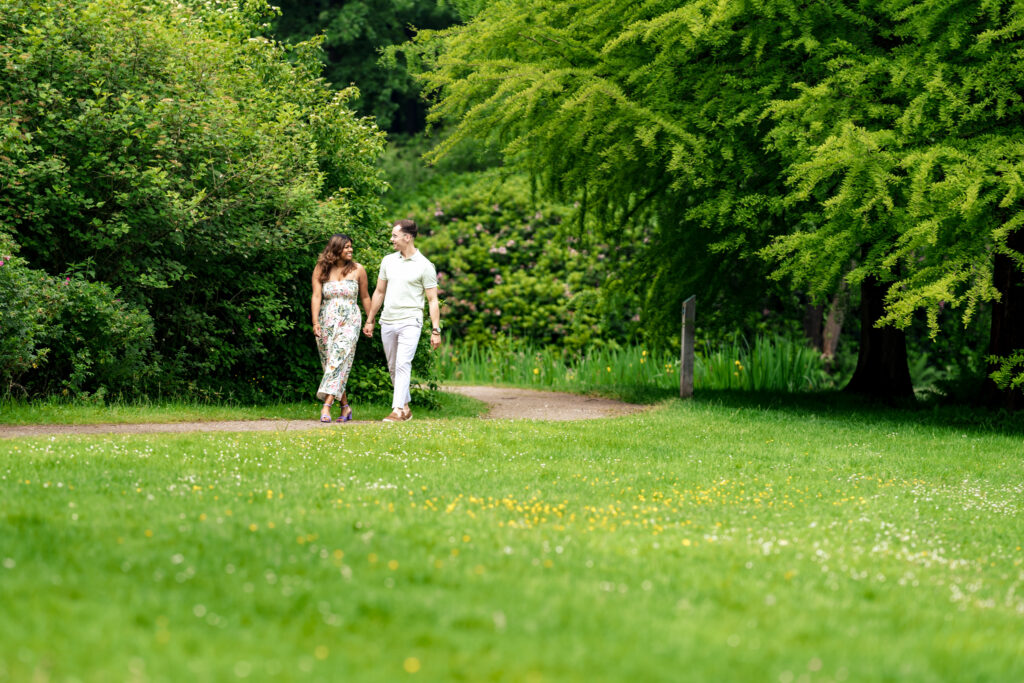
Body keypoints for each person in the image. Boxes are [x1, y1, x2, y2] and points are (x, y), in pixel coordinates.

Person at [362, 219, 441, 422]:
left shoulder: (425, 265)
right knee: (393, 366)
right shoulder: (388, 261)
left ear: (407, 237)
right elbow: (379, 292)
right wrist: (370, 319)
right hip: (388, 320)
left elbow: (432, 300)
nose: (391, 239)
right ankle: (406, 407)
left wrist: (435, 329)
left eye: (395, 236)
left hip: (410, 321)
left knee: (403, 363)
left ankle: (397, 410)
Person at [311, 234, 371, 422]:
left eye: (351, 247)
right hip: (326, 320)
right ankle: (345, 407)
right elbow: (316, 297)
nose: (350, 250)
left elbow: (365, 297)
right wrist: (315, 322)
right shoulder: (322, 269)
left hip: (350, 320)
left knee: (338, 359)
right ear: (336, 249)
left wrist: (370, 321)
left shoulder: (358, 270)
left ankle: (326, 406)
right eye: (346, 247)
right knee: (333, 364)